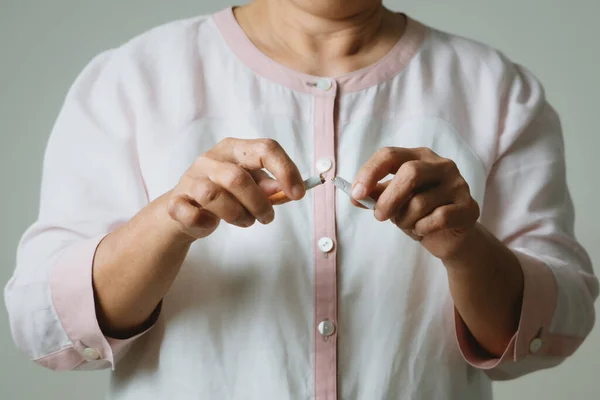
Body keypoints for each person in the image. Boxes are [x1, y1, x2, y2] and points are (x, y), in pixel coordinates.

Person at [4, 1, 598, 399]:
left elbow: (555, 326)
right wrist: (171, 221)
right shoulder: (132, 80)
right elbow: (44, 325)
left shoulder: (498, 91)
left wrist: (467, 250)